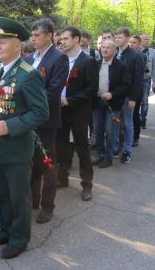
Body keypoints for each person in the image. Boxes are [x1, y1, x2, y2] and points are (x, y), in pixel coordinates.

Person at [0, 17, 49, 259]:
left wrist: (10, 126)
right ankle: (5, 229)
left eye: (3, 42)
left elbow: (41, 112)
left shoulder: (28, 74)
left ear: (18, 45)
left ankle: (20, 238)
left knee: (18, 196)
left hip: (15, 147)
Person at [26, 18, 69, 224]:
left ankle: (48, 206)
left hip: (45, 120)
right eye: (32, 35)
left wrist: (31, 105)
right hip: (27, 120)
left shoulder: (58, 59)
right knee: (31, 161)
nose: (32, 39)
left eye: (36, 35)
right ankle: (33, 199)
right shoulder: (29, 58)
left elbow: (53, 92)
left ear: (50, 35)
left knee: (47, 163)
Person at [56, 26, 98, 201]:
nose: (62, 42)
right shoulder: (60, 59)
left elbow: (91, 89)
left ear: (76, 40)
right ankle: (62, 177)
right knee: (61, 146)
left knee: (82, 148)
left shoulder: (87, 61)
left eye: (65, 39)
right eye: (61, 39)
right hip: (61, 111)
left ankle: (87, 185)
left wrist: (70, 100)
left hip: (79, 112)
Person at [91, 40, 130, 168]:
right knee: (97, 130)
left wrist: (112, 94)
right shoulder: (96, 64)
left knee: (110, 130)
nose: (104, 50)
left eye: (108, 48)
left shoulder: (121, 66)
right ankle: (100, 154)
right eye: (103, 47)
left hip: (113, 104)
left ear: (114, 50)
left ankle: (108, 157)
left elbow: (125, 86)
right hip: (97, 102)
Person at [114, 28, 144, 163]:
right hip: (115, 96)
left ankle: (127, 151)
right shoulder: (114, 53)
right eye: (116, 37)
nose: (117, 39)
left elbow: (138, 79)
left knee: (127, 123)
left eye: (120, 37)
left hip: (127, 96)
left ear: (127, 38)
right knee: (115, 123)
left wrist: (133, 98)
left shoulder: (135, 56)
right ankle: (116, 147)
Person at [129, 35, 146, 146]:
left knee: (134, 114)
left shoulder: (141, 56)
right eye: (130, 42)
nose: (131, 44)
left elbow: (138, 76)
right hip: (128, 89)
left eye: (134, 42)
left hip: (137, 89)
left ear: (139, 44)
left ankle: (136, 137)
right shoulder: (127, 55)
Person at [140, 34, 155, 129]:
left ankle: (143, 119)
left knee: (144, 101)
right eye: (144, 39)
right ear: (140, 40)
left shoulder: (153, 52)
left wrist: (154, 81)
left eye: (148, 39)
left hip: (146, 79)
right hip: (136, 79)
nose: (146, 41)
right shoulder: (136, 50)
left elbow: (154, 67)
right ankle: (136, 118)